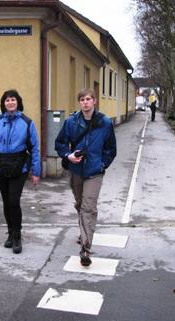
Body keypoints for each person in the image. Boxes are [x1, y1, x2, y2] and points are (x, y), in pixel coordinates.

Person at [55, 89, 117, 267]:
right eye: (82, 99)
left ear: (94, 101)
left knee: (89, 207)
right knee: (80, 204)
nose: (85, 102)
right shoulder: (71, 122)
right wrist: (68, 156)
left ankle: (85, 248)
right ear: (79, 103)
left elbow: (111, 149)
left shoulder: (104, 123)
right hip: (76, 170)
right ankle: (84, 231)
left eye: (88, 99)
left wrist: (102, 164)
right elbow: (59, 144)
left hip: (94, 172)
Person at [0, 89, 40, 254]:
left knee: (13, 201)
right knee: (6, 202)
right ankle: (11, 233)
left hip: (19, 167)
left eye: (13, 99)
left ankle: (18, 235)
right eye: (7, 100)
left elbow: (34, 149)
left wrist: (36, 172)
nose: (10, 102)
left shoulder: (27, 123)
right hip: (0, 166)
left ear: (18, 102)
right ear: (3, 104)